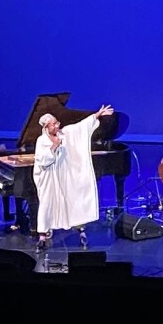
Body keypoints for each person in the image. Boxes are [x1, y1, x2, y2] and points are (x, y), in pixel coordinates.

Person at [33, 104, 114, 251]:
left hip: (65, 176)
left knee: (74, 198)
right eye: (54, 124)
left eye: (57, 122)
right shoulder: (41, 141)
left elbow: (81, 127)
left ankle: (80, 229)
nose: (58, 125)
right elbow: (43, 160)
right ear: (46, 127)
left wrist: (98, 114)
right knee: (46, 205)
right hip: (49, 179)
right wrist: (54, 146)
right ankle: (42, 237)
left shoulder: (65, 133)